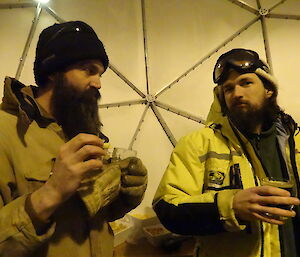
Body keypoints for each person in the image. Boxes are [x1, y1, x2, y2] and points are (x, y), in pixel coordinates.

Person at [0, 21, 147, 257]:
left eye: (100, 74)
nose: (98, 83)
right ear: (53, 70)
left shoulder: (80, 127)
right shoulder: (6, 132)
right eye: (88, 70)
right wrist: (51, 193)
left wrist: (127, 192)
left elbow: (96, 213)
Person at [153, 48, 300, 257]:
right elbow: (167, 208)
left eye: (246, 83)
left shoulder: (295, 142)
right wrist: (230, 206)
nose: (237, 93)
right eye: (228, 88)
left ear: (268, 89)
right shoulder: (199, 144)